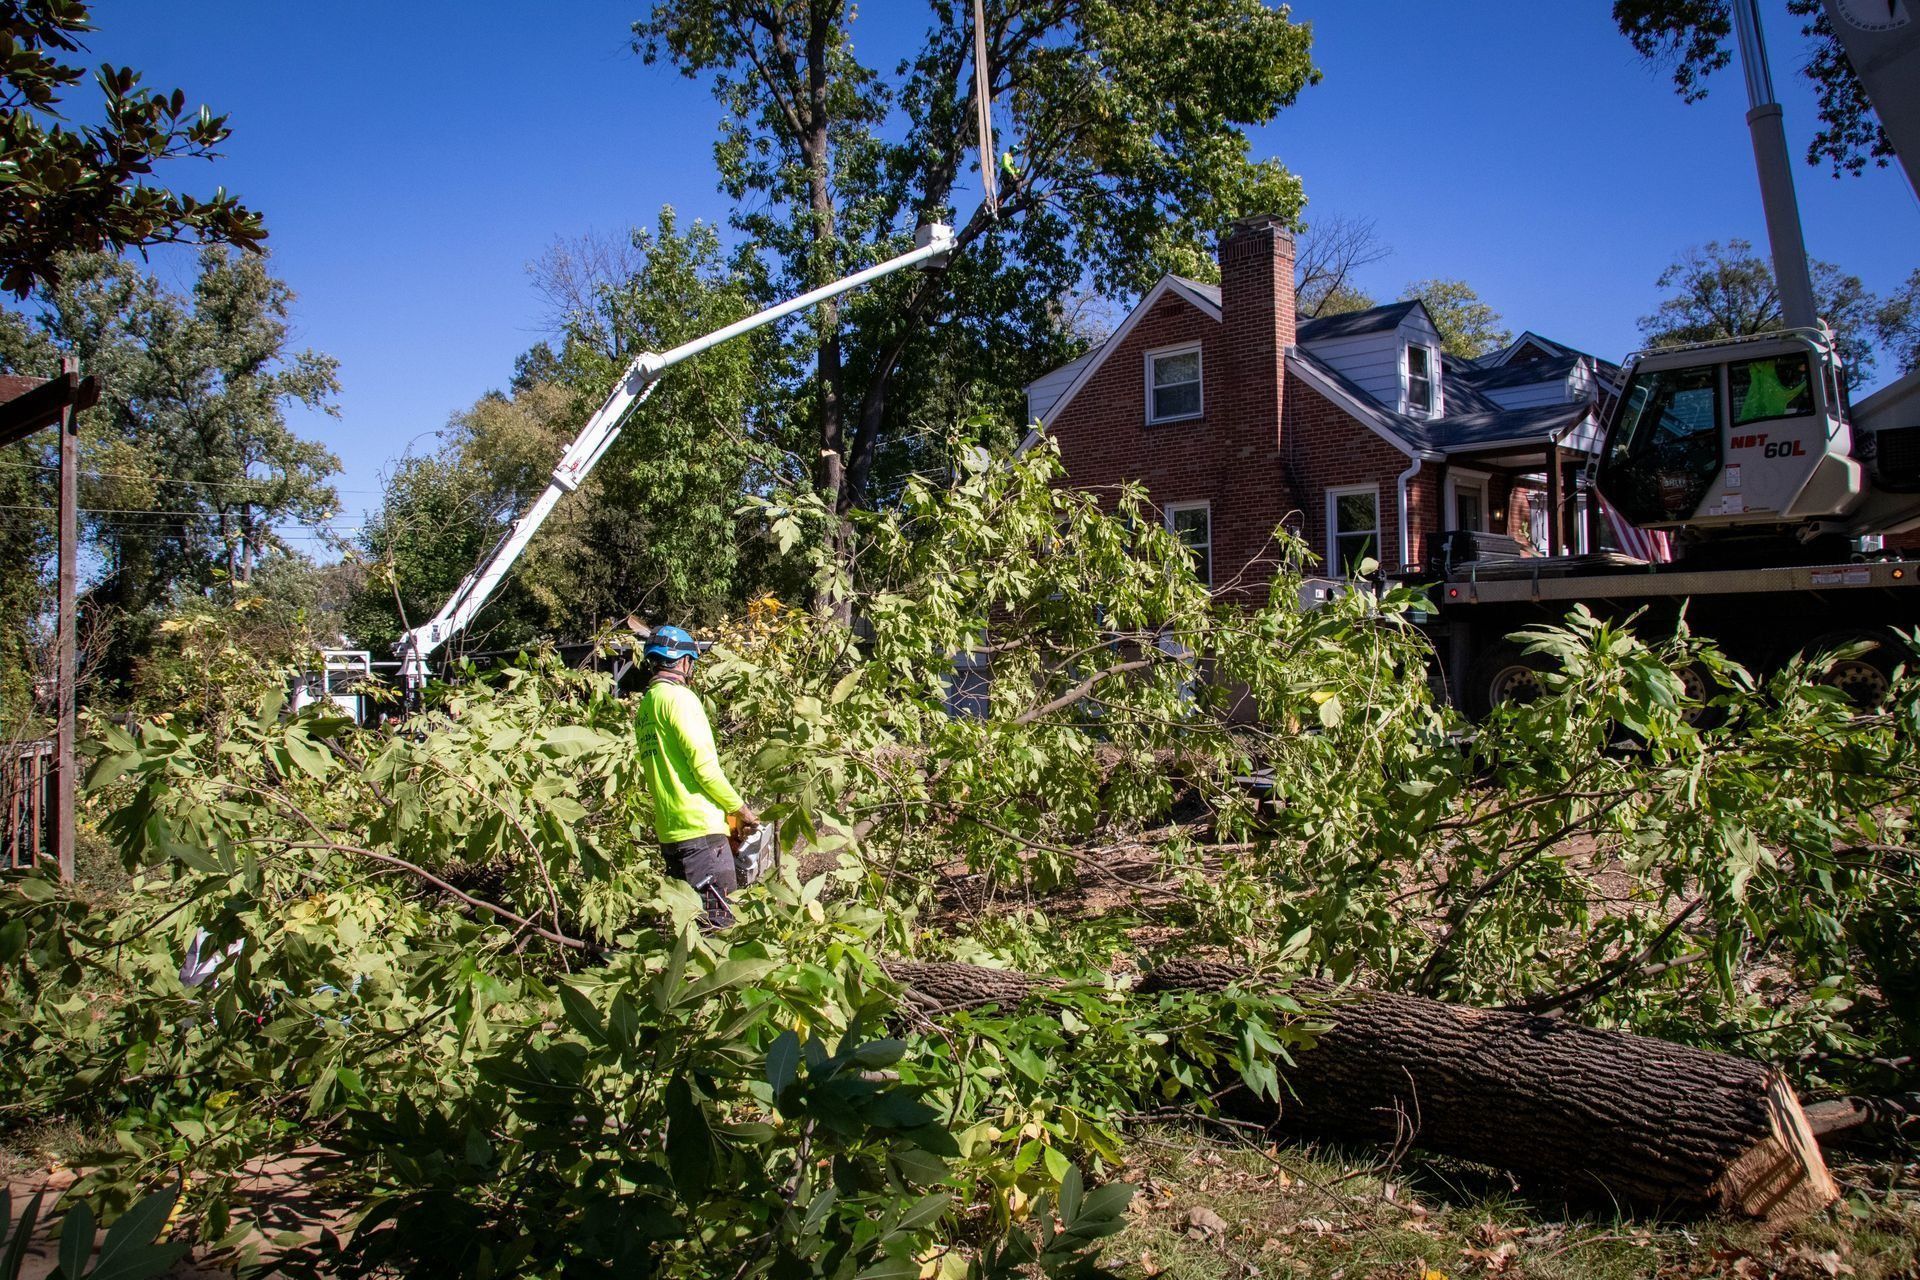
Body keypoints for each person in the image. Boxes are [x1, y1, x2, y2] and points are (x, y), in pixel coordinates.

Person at [634, 625, 756, 928]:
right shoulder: (680, 699)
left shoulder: (647, 707)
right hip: (701, 836)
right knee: (718, 929)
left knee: (689, 931)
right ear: (686, 662)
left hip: (672, 834)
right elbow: (704, 769)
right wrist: (740, 809)